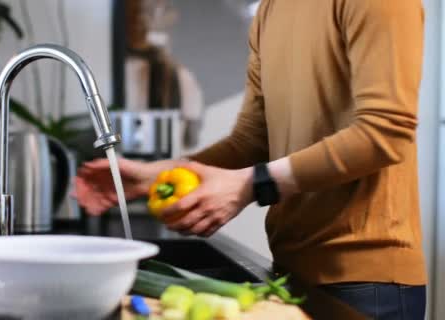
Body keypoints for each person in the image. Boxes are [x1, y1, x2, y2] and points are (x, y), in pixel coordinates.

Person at [75, 0, 426, 318]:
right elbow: (252, 139)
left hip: (369, 283)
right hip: (292, 269)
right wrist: (160, 174)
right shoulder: (271, 10)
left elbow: (385, 132)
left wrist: (253, 184)